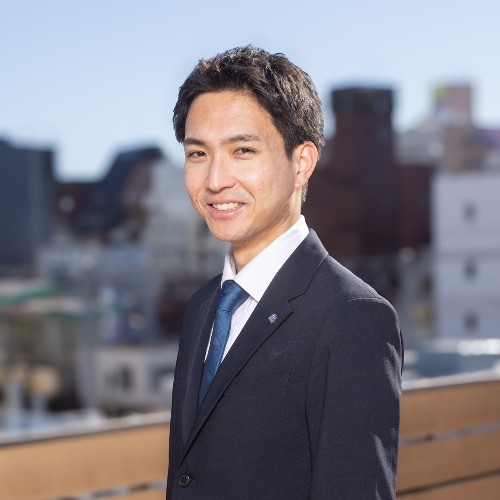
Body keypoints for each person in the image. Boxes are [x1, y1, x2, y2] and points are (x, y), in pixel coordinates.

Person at [167, 46, 403, 500]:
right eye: (197, 153)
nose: (214, 180)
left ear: (302, 163)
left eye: (243, 150)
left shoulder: (353, 316)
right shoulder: (203, 306)